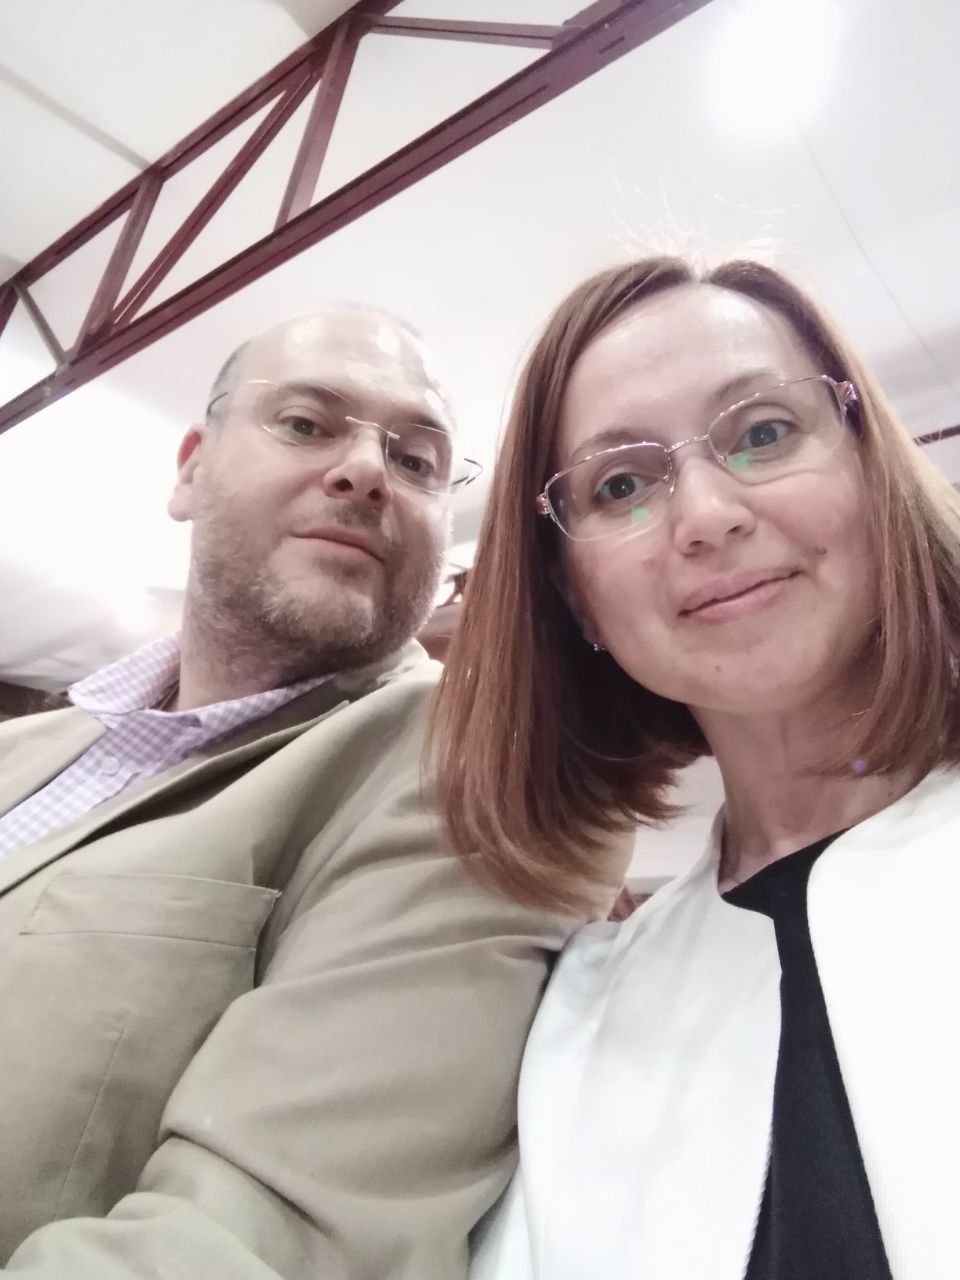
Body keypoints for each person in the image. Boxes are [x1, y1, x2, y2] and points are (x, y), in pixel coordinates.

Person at [0, 307, 572, 1279]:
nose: (367, 470)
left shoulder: (467, 768)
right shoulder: (26, 743)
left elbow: (251, 1242)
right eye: (306, 423)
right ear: (191, 469)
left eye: (418, 459)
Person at [431, 255, 960, 1279]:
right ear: (575, 594)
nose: (707, 514)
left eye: (763, 431)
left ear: (872, 469)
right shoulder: (583, 1014)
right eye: (622, 484)